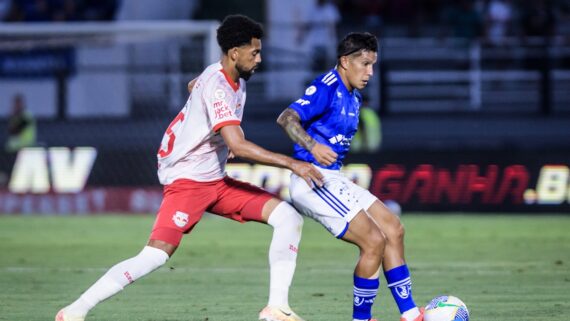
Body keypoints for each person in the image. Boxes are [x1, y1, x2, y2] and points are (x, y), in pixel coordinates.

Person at [55, 14, 324, 321]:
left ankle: (276, 309)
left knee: (287, 217)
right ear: (234, 53)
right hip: (188, 181)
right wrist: (292, 163)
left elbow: (192, 85)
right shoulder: (220, 86)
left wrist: (213, 135)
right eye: (255, 52)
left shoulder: (221, 75)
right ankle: (76, 310)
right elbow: (237, 142)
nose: (260, 59)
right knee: (155, 255)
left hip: (216, 182)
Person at [276, 32, 424, 321]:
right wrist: (312, 145)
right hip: (312, 179)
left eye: (373, 65)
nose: (370, 72)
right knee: (373, 242)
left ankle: (410, 313)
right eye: (365, 64)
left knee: (393, 229)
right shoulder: (326, 87)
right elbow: (286, 118)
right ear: (345, 61)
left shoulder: (354, 95)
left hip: (334, 177)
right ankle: (362, 319)